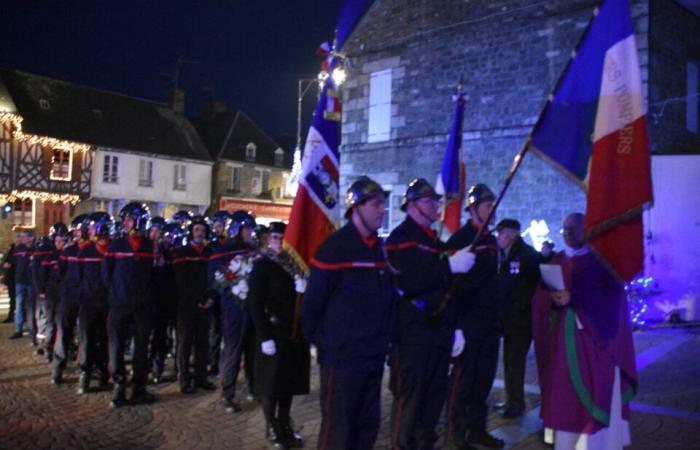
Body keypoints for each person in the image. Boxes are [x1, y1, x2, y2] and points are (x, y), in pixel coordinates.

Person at [302, 176, 397, 450]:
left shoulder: (377, 247)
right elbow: (312, 306)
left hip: (373, 355)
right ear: (356, 206)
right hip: (342, 360)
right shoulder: (335, 248)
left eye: (383, 204)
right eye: (376, 204)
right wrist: (330, 345)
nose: (383, 210)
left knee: (367, 426)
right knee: (339, 431)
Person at [532, 213, 637, 450]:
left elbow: (612, 300)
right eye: (564, 229)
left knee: (594, 395)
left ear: (586, 230)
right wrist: (551, 298)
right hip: (562, 345)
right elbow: (539, 298)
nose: (567, 233)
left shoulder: (602, 262)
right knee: (564, 398)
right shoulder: (556, 260)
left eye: (573, 228)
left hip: (593, 344)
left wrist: (575, 298)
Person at [385, 178, 475, 450]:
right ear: (411, 206)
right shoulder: (400, 239)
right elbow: (410, 281)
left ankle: (425, 443)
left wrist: (456, 324)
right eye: (428, 201)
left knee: (435, 394)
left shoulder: (433, 240)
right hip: (413, 331)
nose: (436, 205)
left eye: (436, 201)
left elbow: (447, 288)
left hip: (438, 329)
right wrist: (448, 266)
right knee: (410, 397)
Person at [443, 183, 505, 449]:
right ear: (473, 209)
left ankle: (477, 430)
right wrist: (455, 325)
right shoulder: (460, 240)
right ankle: (455, 435)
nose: (491, 210)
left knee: (483, 381)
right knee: (462, 383)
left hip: (489, 324)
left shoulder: (490, 240)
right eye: (486, 205)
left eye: (493, 205)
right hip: (468, 322)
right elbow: (450, 286)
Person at [248, 221, 310, 449]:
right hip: (272, 332)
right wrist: (264, 337)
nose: (278, 242)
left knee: (288, 382)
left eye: (282, 238)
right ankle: (271, 425)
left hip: (293, 333)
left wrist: (303, 290)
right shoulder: (262, 265)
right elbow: (254, 303)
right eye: (274, 238)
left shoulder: (296, 264)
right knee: (271, 384)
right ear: (268, 240)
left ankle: (284, 423)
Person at [493, 219, 551, 418]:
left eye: (501, 234)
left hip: (520, 320)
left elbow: (541, 273)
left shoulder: (525, 255)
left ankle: (516, 404)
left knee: (514, 363)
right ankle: (512, 400)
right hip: (510, 320)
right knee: (510, 362)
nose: (498, 238)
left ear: (511, 235)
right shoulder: (509, 254)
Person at [102, 202, 156, 407]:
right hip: (120, 304)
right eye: (124, 219)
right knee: (116, 346)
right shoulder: (115, 245)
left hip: (143, 306)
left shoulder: (149, 246)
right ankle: (119, 386)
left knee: (141, 348)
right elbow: (106, 275)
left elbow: (154, 275)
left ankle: (139, 389)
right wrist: (117, 294)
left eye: (130, 219)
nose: (126, 223)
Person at [216, 210, 259, 413]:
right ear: (237, 229)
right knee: (233, 350)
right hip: (233, 307)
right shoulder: (226, 250)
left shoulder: (253, 249)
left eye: (251, 228)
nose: (250, 232)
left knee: (251, 351)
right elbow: (217, 279)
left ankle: (253, 387)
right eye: (247, 228)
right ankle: (227, 393)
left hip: (251, 307)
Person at [172, 215, 217, 394]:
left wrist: (211, 297)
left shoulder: (209, 253)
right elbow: (180, 281)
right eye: (197, 230)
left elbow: (215, 278)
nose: (200, 233)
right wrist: (195, 299)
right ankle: (184, 380)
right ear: (191, 232)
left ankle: (201, 378)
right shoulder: (181, 253)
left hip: (206, 305)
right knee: (184, 344)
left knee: (202, 343)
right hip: (187, 306)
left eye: (203, 230)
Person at [76, 212, 112, 394]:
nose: (89, 231)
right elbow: (78, 277)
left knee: (105, 340)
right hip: (89, 303)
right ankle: (85, 375)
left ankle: (104, 374)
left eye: (92, 228)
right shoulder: (85, 251)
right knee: (87, 340)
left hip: (107, 304)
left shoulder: (113, 250)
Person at [51, 214, 88, 383]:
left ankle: (83, 370)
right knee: (64, 332)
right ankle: (58, 368)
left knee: (83, 335)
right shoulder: (69, 251)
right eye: (76, 231)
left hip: (85, 298)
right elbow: (58, 272)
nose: (77, 234)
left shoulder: (89, 250)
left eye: (80, 231)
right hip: (69, 297)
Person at [149, 217, 179, 384]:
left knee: (176, 337)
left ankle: (177, 369)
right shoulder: (152, 252)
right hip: (158, 299)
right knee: (159, 337)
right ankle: (156, 369)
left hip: (173, 298)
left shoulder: (172, 253)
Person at [34, 223, 69, 362]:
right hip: (51, 294)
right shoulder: (50, 257)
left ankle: (58, 350)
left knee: (61, 324)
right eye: (57, 241)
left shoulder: (67, 256)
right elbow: (42, 275)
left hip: (64, 295)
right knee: (51, 323)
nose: (59, 243)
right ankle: (48, 348)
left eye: (61, 241)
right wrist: (41, 290)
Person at [9, 230, 35, 341]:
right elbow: (12, 262)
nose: (22, 238)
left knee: (31, 307)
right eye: (22, 236)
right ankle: (18, 330)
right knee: (19, 306)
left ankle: (31, 329)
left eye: (24, 236)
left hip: (31, 282)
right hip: (20, 282)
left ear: (31, 238)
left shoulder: (36, 250)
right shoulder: (18, 249)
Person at [1, 236, 19, 323]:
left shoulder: (20, 250)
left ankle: (15, 316)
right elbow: (3, 262)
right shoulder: (10, 250)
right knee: (12, 298)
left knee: (18, 299)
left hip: (18, 278)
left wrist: (10, 264)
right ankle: (11, 316)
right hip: (10, 278)